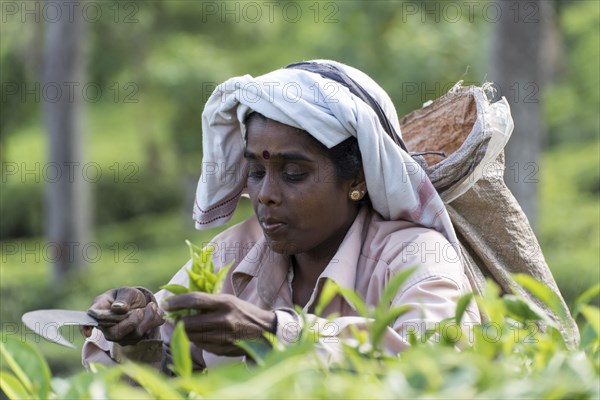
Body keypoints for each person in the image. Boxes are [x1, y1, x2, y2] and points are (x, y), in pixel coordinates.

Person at [82, 60, 480, 370]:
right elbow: (144, 379)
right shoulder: (233, 257)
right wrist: (135, 333)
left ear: (357, 177)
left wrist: (271, 331)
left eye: (293, 174)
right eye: (256, 172)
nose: (266, 195)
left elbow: (436, 360)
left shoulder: (415, 258)